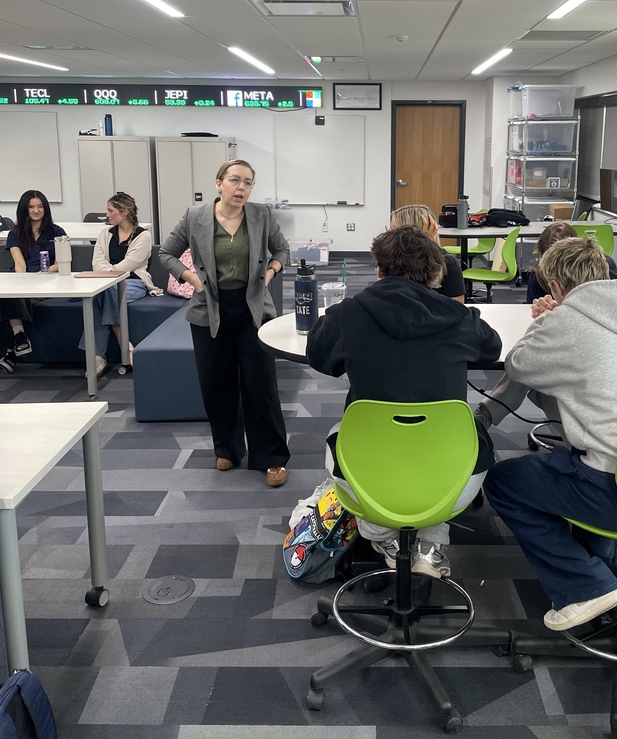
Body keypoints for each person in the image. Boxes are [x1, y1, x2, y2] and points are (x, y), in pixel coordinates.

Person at [483, 236, 617, 632]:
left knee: (505, 482)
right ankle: (606, 571)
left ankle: (585, 585)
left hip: (616, 492)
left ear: (555, 286)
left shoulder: (565, 320)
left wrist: (545, 321)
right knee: (586, 447)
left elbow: (521, 365)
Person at [307, 225, 502, 578]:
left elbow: (319, 357)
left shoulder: (347, 315)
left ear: (379, 270)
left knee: (341, 430)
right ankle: (432, 545)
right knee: (469, 436)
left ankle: (382, 536)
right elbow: (492, 349)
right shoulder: (460, 319)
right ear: (436, 274)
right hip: (452, 479)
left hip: (368, 475)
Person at [159, 159, 290, 486]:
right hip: (209, 308)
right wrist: (191, 278)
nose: (242, 188)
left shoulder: (261, 215)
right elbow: (166, 253)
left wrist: (270, 272)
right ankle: (228, 449)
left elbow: (282, 250)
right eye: (235, 180)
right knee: (217, 384)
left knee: (260, 384)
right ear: (219, 183)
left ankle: (271, 457)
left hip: (253, 308)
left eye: (248, 182)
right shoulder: (195, 217)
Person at [475, 221, 617, 430]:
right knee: (536, 360)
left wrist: (550, 320)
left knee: (532, 362)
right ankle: (487, 413)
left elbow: (518, 365)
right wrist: (553, 313)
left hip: (590, 399)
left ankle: (486, 414)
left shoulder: (603, 274)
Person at [78, 192, 161, 378]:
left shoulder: (143, 236)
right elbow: (96, 263)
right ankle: (124, 346)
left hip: (133, 282)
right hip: (108, 284)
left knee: (98, 296)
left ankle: (97, 357)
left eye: (110, 211)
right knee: (104, 292)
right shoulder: (104, 234)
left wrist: (110, 274)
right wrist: (110, 276)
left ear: (124, 212)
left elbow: (128, 266)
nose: (106, 215)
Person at [0, 190, 66, 374]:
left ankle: (14, 349)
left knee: (8, 302)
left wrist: (41, 274)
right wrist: (23, 283)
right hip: (24, 277)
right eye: (31, 207)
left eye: (40, 206)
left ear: (45, 208)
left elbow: (61, 263)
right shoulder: (15, 233)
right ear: (24, 209)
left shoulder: (57, 232)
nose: (36, 210)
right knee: (11, 294)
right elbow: (19, 263)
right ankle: (19, 339)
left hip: (49, 279)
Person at [389, 203, 465, 302]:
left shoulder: (447, 263)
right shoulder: (393, 259)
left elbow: (458, 308)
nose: (389, 236)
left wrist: (426, 249)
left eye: (394, 231)